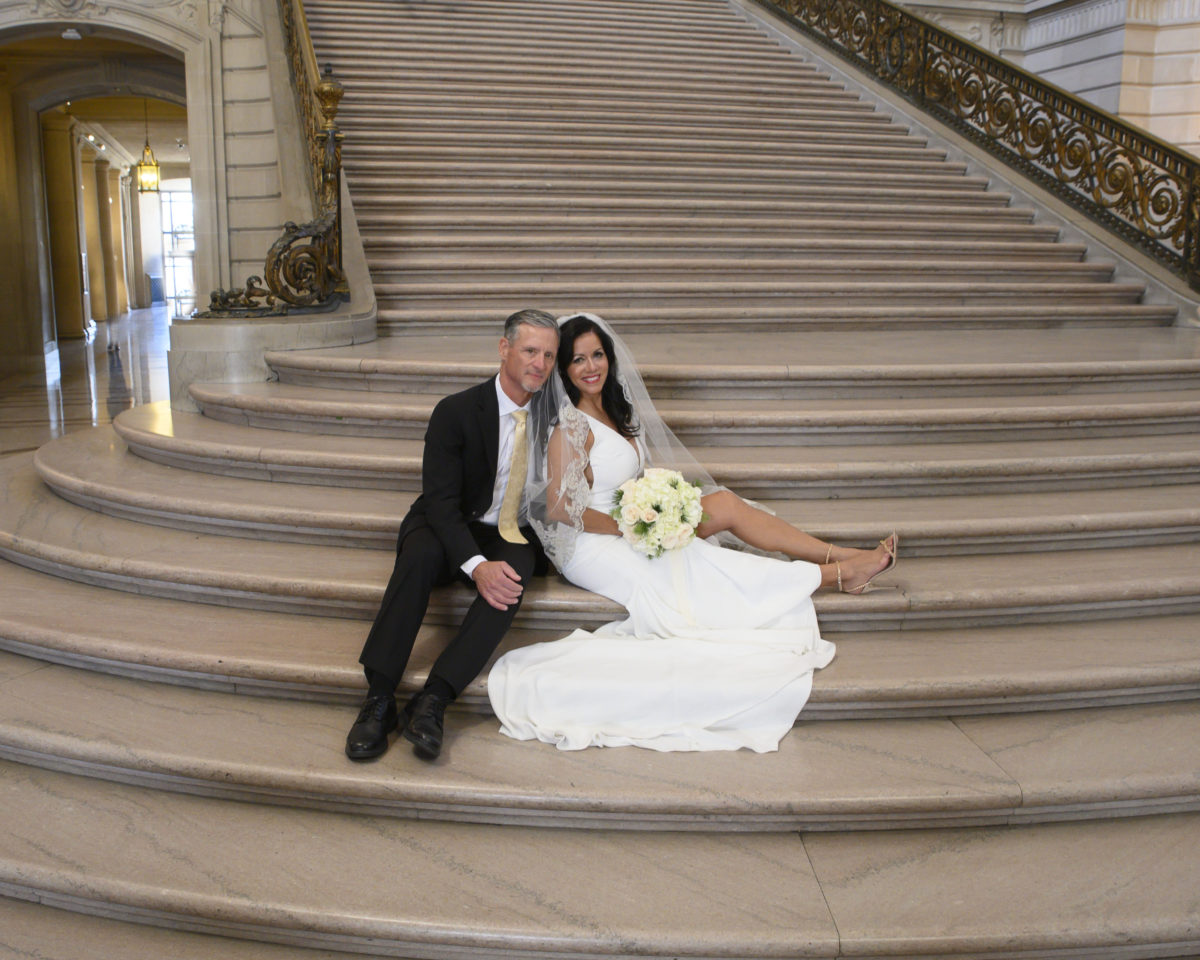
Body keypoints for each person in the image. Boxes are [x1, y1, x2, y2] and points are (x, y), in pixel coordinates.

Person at [487, 313, 897, 753]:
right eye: (578, 360)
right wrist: (630, 528)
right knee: (696, 561)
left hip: (630, 522)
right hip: (592, 543)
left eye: (598, 355)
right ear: (564, 371)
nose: (592, 367)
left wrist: (665, 507)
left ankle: (834, 554)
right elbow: (560, 508)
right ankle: (839, 576)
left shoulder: (614, 408)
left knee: (724, 505)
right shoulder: (571, 426)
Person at [346, 309, 560, 762]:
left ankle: (434, 699)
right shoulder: (456, 411)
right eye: (529, 351)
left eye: (548, 354)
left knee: (513, 579)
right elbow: (440, 503)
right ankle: (379, 699)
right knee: (419, 555)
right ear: (504, 349)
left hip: (506, 529)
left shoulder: (554, 417)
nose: (539, 363)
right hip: (446, 521)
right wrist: (475, 565)